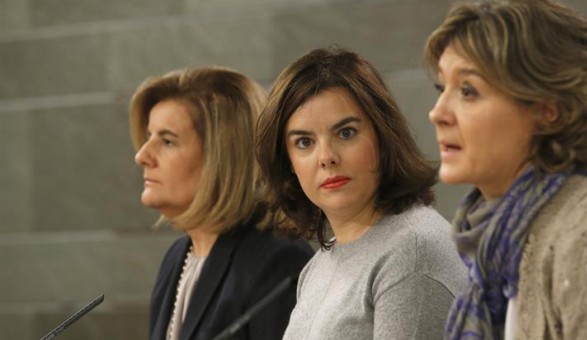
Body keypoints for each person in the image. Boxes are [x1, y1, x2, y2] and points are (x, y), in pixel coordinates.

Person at [424, 0, 587, 339]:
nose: (438, 112)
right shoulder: (490, 248)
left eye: (468, 91)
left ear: (548, 108)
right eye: (440, 88)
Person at [255, 46, 466, 339]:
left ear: (383, 136)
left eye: (346, 133)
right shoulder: (318, 266)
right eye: (304, 142)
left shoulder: (412, 253)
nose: (326, 156)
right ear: (288, 163)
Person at [129, 66, 314, 340]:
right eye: (148, 138)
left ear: (223, 158)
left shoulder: (277, 261)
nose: (142, 156)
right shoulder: (176, 258)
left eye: (167, 141)